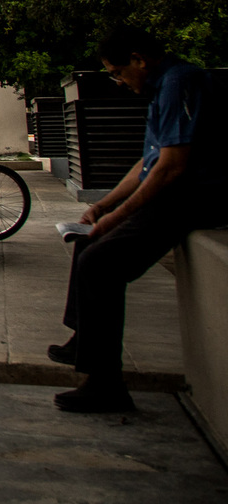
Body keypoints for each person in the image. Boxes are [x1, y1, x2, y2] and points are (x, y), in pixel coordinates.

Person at [51, 26, 226, 414]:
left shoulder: (181, 82)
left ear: (138, 60)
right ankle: (83, 338)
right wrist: (105, 206)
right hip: (173, 193)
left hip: (192, 198)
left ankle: (105, 383)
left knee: (101, 262)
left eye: (117, 72)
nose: (118, 81)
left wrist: (116, 218)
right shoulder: (165, 87)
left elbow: (170, 169)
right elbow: (147, 163)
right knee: (86, 242)